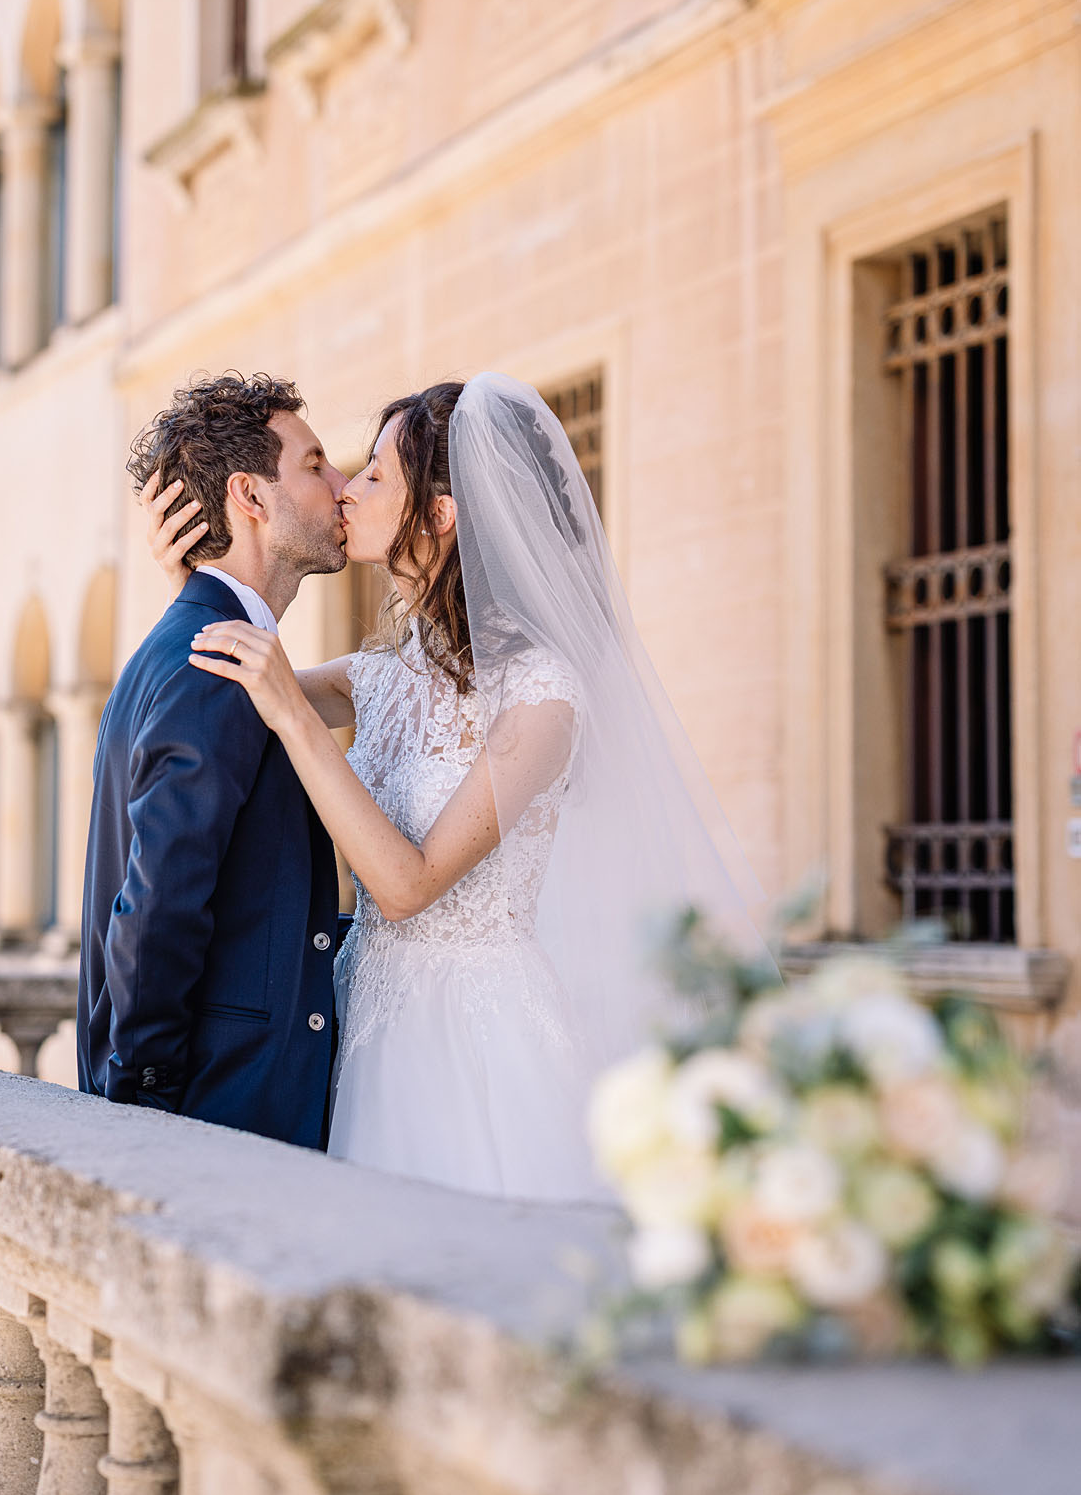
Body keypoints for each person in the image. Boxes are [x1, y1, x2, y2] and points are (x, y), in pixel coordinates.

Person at [146, 370, 764, 1199]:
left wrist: (298, 718)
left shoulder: (543, 697)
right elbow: (235, 670)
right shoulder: (387, 675)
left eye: (374, 477)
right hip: (368, 1020)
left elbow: (407, 886)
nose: (346, 492)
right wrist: (198, 572)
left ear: (438, 518)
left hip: (475, 1043)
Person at [77, 371, 347, 1145]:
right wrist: (147, 1100)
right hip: (219, 1111)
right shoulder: (216, 667)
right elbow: (156, 905)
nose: (339, 483)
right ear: (252, 498)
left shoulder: (197, 643)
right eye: (314, 464)